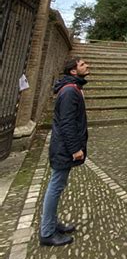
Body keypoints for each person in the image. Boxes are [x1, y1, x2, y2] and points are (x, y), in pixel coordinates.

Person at [39, 57, 90, 246]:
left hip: (62, 147)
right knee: (55, 187)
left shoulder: (72, 88)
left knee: (57, 185)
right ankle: (47, 232)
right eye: (83, 64)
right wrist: (75, 148)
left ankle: (52, 224)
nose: (87, 66)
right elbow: (67, 123)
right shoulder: (69, 91)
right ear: (73, 72)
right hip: (63, 148)